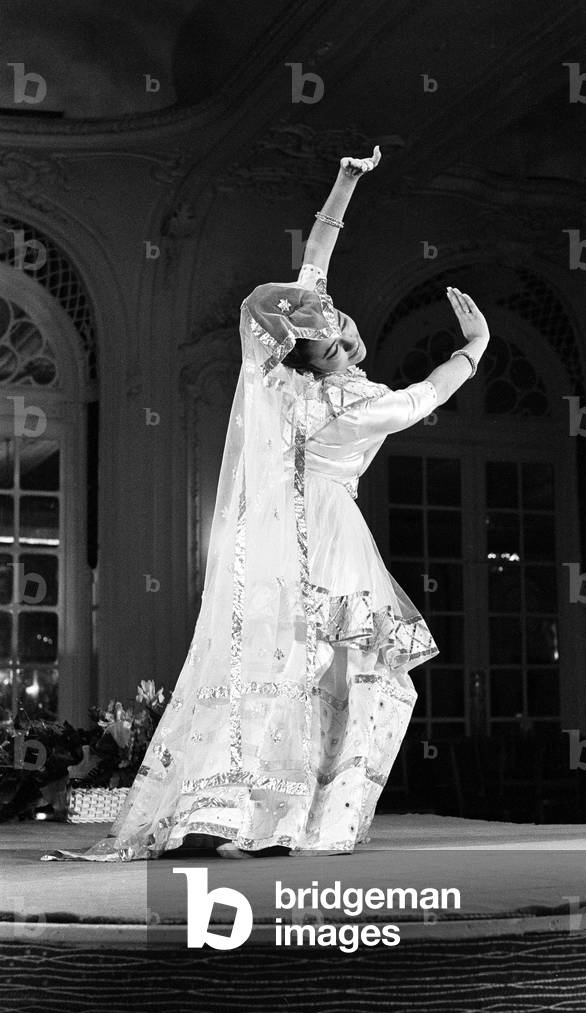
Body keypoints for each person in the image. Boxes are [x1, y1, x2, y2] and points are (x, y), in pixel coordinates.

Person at [41, 146, 489, 862]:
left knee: (289, 667)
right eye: (331, 318)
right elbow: (427, 393)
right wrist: (476, 346)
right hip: (330, 537)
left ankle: (259, 811)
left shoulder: (281, 381)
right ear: (328, 344)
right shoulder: (356, 401)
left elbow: (313, 264)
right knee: (348, 673)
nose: (336, 312)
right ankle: (301, 816)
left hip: (276, 542)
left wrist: (343, 182)